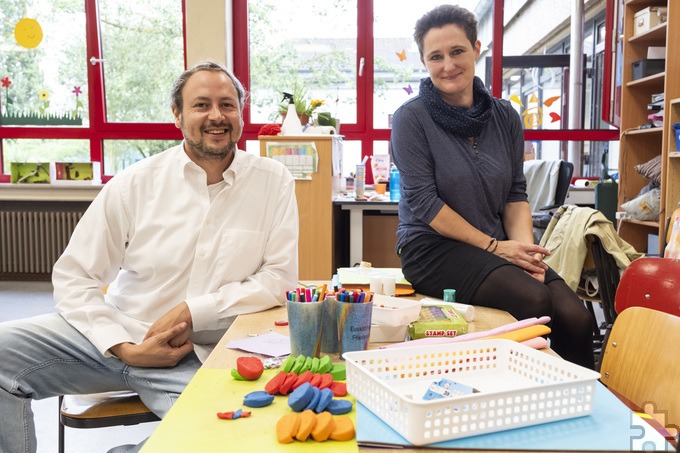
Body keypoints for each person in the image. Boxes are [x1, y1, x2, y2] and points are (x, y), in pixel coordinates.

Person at [0, 60, 299, 452]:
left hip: (198, 355)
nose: (216, 116)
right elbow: (76, 277)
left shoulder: (273, 181)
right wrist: (121, 345)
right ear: (177, 115)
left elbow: (278, 278)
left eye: (227, 105)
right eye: (201, 105)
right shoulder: (135, 183)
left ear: (240, 114)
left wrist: (193, 310)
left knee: (239, 439)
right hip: (109, 339)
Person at [390, 5, 594, 369]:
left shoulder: (505, 116)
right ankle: (522, 399)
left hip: (497, 244)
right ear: (424, 62)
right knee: (534, 300)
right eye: (435, 57)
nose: (448, 65)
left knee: (578, 319)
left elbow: (515, 193)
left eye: (457, 51)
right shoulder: (411, 118)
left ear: (476, 49)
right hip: (431, 247)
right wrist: (497, 247)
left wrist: (525, 252)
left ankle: (577, 404)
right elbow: (425, 203)